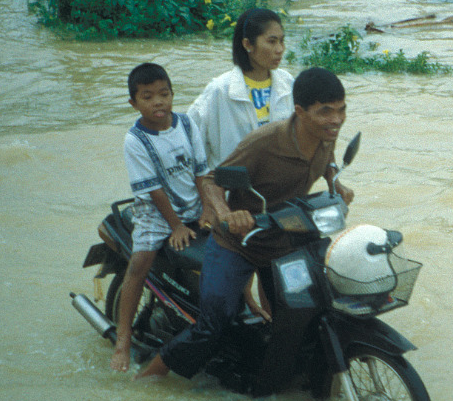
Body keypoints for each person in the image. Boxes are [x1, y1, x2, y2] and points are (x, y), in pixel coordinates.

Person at [137, 66, 354, 382]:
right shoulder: (265, 142)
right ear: (300, 112)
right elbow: (212, 180)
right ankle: (145, 379)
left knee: (308, 311)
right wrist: (225, 213)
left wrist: (338, 184)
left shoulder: (324, 136)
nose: (336, 120)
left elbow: (327, 165)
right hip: (238, 245)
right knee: (214, 323)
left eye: (341, 110)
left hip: (284, 242)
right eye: (325, 112)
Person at [112, 63, 214, 372]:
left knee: (235, 244)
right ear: (134, 103)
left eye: (164, 94)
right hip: (155, 215)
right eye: (148, 96)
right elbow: (154, 191)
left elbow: (200, 170)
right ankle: (123, 340)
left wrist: (209, 208)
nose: (158, 102)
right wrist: (176, 226)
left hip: (194, 205)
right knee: (139, 265)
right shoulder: (135, 140)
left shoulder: (185, 124)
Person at [186, 7, 294, 170]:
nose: (280, 49)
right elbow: (191, 140)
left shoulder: (287, 83)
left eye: (282, 41)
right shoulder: (220, 90)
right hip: (232, 189)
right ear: (247, 44)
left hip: (276, 185)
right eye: (272, 41)